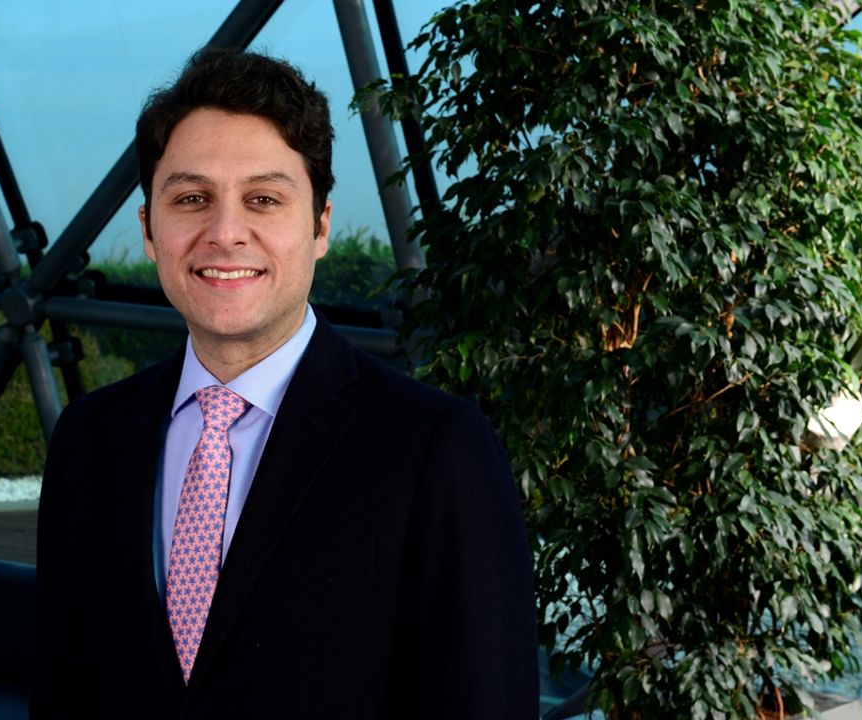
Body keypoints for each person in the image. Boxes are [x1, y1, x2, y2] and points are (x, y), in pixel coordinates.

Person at [33, 48, 538, 718]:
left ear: (320, 225)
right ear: (150, 230)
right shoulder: (90, 439)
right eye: (191, 199)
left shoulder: (435, 447)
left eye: (263, 199)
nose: (224, 233)